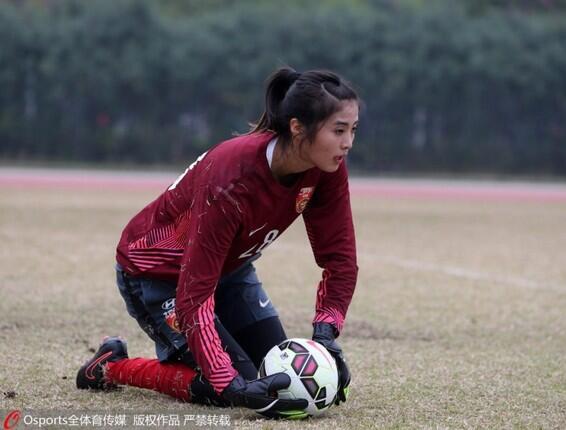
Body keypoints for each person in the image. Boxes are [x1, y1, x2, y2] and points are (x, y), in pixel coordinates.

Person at [76, 67, 360, 419]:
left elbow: (340, 259)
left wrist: (325, 338)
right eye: (338, 130)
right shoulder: (232, 178)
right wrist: (228, 384)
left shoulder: (327, 168)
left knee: (278, 376)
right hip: (157, 275)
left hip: (229, 270)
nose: (348, 142)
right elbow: (193, 298)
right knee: (228, 385)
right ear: (298, 127)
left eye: (352, 130)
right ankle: (110, 366)